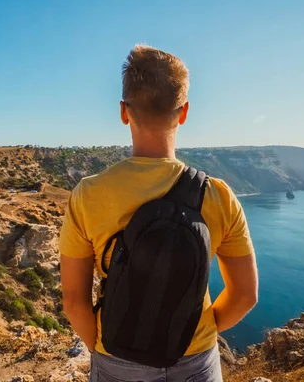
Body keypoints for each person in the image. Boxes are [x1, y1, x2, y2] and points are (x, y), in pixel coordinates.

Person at [59, 45, 258, 382]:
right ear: (183, 113)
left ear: (124, 112)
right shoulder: (219, 196)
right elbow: (245, 295)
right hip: (195, 360)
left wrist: (104, 350)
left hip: (116, 358)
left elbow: (74, 301)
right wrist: (201, 333)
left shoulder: (87, 195)